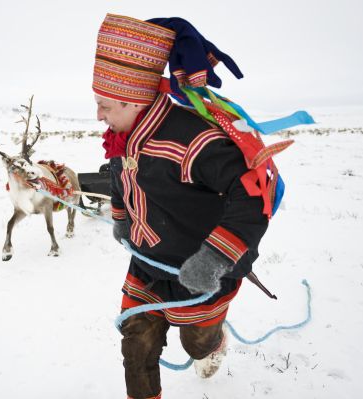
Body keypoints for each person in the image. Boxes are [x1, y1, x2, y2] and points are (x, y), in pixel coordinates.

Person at [93, 14, 272, 399]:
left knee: (197, 345)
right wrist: (124, 219)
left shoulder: (194, 139)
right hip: (147, 264)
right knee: (136, 345)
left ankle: (212, 340)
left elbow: (252, 194)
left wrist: (214, 259)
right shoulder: (124, 135)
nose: (99, 116)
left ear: (133, 100)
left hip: (201, 270)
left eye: (104, 105)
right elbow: (119, 174)